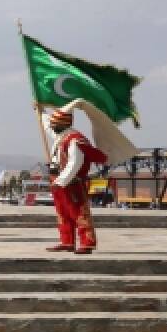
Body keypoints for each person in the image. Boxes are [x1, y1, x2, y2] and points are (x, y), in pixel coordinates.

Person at [44, 107, 104, 254]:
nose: (52, 127)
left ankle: (87, 243)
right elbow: (47, 127)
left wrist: (61, 181)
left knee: (79, 212)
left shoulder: (74, 140)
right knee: (62, 213)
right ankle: (67, 241)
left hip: (72, 182)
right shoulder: (61, 136)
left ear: (62, 125)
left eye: (54, 124)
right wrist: (41, 112)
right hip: (57, 179)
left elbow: (75, 163)